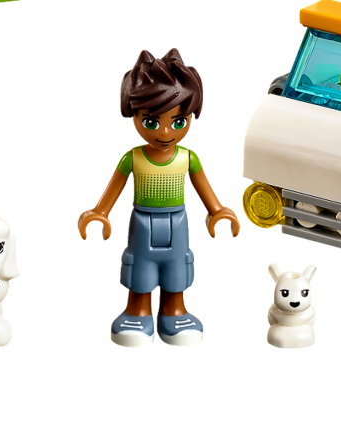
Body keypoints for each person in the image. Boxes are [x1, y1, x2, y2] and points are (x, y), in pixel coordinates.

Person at [77, 47, 238, 346]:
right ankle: (137, 312)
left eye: (178, 122)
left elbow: (204, 188)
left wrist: (217, 210)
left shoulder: (188, 158)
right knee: (139, 265)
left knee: (178, 265)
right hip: (142, 222)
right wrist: (100, 212)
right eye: (152, 122)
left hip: (178, 222)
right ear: (134, 115)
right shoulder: (133, 158)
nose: (165, 132)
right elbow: (114, 188)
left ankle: (174, 311)